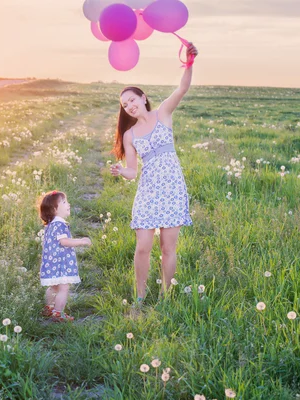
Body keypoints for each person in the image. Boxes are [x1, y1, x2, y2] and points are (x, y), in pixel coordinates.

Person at [110, 43, 199, 304]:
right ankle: (139, 295)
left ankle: (166, 296)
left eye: (132, 100)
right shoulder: (130, 135)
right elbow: (132, 172)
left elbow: (182, 88)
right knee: (142, 248)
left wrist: (189, 63)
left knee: (168, 248)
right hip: (148, 191)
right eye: (125, 105)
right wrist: (121, 170)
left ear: (143, 97)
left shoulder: (163, 114)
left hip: (172, 188)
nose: (129, 106)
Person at [38, 190, 92, 322]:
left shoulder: (51, 225)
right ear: (54, 208)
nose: (68, 204)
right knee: (63, 288)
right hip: (61, 264)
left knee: (54, 287)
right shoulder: (60, 224)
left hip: (51, 263)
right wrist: (82, 241)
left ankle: (49, 308)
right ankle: (58, 313)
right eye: (64, 202)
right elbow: (64, 242)